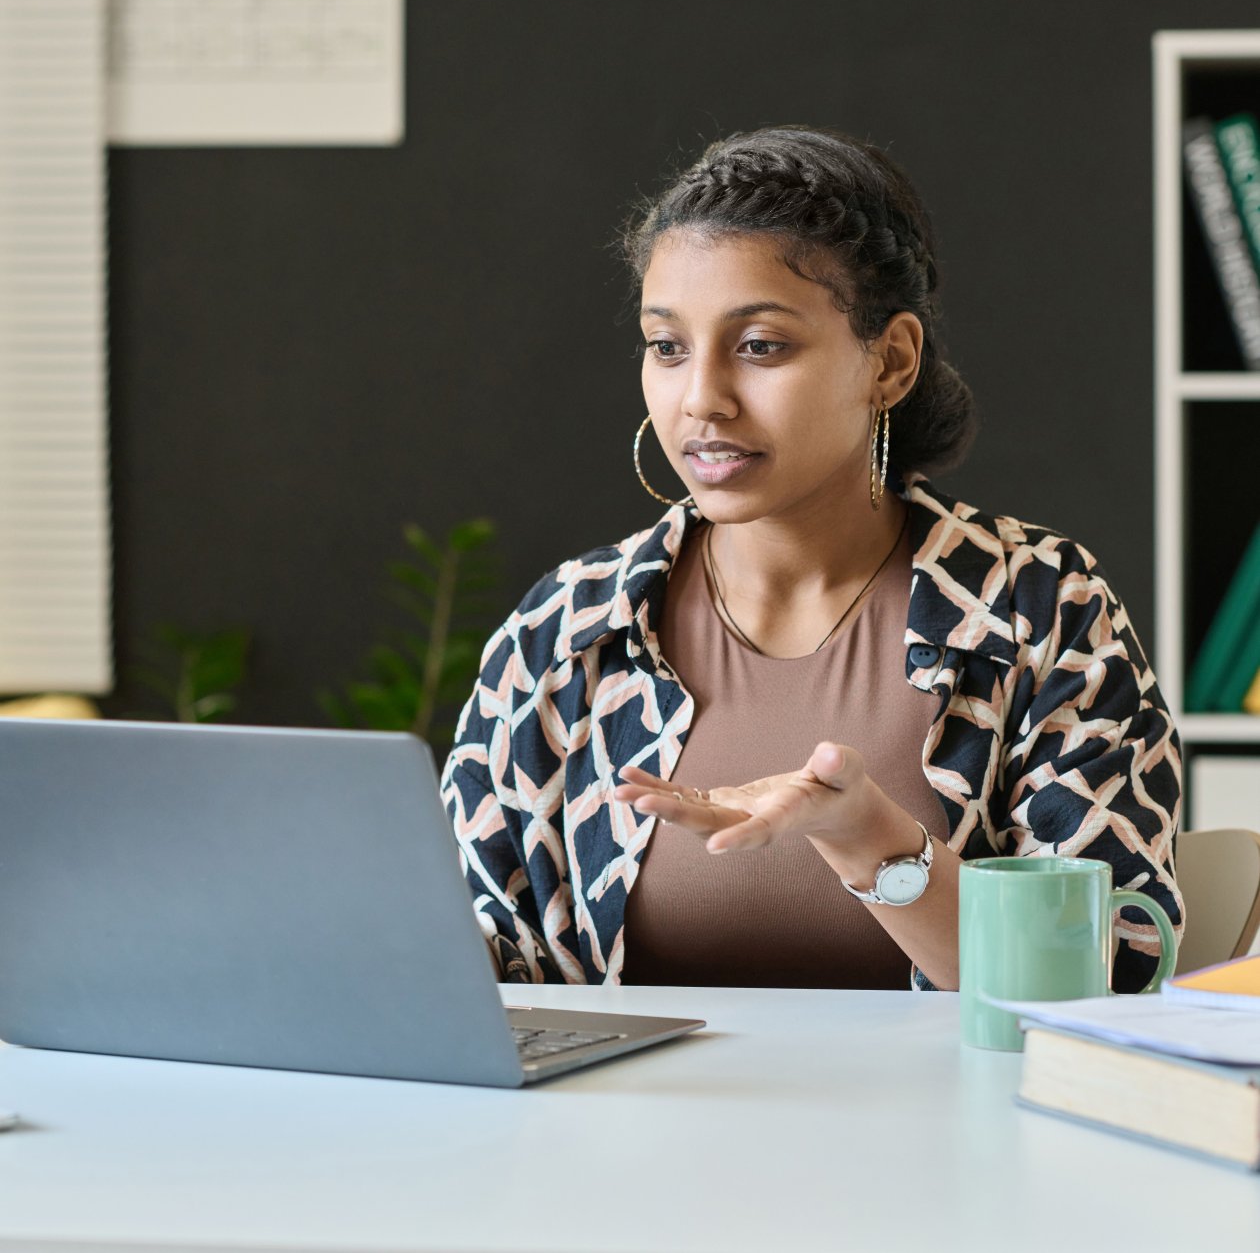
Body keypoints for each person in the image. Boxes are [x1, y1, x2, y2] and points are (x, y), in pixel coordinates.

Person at [440, 126, 1183, 993]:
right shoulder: (570, 627)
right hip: (630, 1127)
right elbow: (489, 965)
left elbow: (1112, 981)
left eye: (760, 346)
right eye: (667, 346)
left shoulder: (1038, 610)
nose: (701, 399)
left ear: (891, 362)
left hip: (953, 1128)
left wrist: (873, 841)